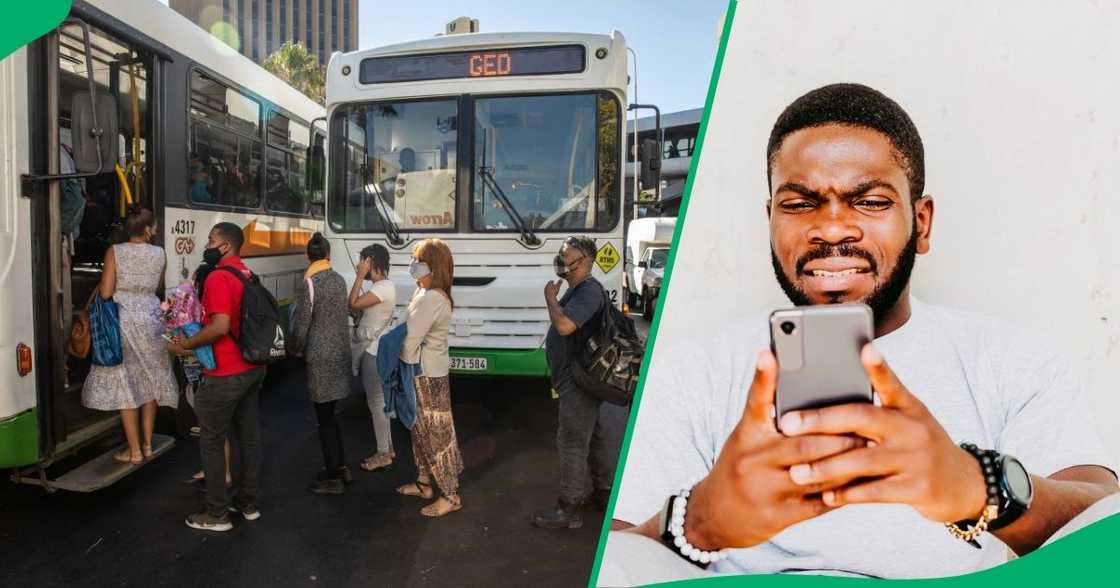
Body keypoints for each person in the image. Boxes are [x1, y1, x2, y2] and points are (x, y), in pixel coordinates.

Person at [604, 84, 1118, 583]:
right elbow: (620, 558)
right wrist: (700, 520)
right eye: (799, 203)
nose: (831, 228)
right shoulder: (694, 369)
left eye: (869, 201)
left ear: (922, 222)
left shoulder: (1014, 359)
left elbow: (1103, 523)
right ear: (771, 220)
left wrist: (977, 486)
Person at [168, 222, 265, 532]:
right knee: (248, 438)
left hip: (224, 372)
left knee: (211, 442)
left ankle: (217, 514)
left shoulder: (220, 277)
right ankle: (247, 504)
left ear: (224, 246)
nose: (206, 245)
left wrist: (186, 344)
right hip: (252, 368)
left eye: (210, 240)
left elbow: (220, 326)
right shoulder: (247, 274)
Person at [531, 236, 624, 529]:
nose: (561, 261)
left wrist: (549, 298)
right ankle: (603, 493)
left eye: (565, 256)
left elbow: (564, 325)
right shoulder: (578, 290)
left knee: (572, 442)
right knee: (593, 437)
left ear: (583, 261)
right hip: (578, 379)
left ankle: (568, 510)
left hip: (580, 381)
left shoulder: (588, 292)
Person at [82, 207, 177, 464]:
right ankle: (147, 445)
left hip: (123, 319)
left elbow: (105, 293)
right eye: (154, 226)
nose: (155, 230)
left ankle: (133, 451)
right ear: (146, 230)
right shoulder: (160, 253)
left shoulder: (115, 251)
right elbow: (157, 287)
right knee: (150, 380)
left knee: (127, 384)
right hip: (151, 317)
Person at [394, 238, 464, 517]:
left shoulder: (432, 297)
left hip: (426, 375)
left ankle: (451, 495)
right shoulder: (424, 292)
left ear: (432, 266)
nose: (412, 263)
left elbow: (409, 339)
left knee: (437, 437)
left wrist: (390, 351)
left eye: (418, 259)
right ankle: (424, 483)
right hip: (420, 371)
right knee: (419, 431)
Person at [290, 233, 353, 494]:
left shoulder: (309, 284)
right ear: (328, 255)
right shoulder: (339, 280)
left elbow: (302, 324)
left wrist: (293, 348)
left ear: (308, 256)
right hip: (339, 353)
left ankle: (333, 477)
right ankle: (340, 467)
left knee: (324, 418)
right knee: (331, 415)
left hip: (320, 358)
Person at [349, 243, 398, 473]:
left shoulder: (384, 287)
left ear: (371, 262)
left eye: (363, 262)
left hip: (373, 352)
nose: (360, 266)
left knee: (376, 403)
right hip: (376, 350)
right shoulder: (381, 287)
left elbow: (353, 303)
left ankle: (382, 453)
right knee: (380, 403)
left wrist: (359, 277)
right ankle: (387, 448)